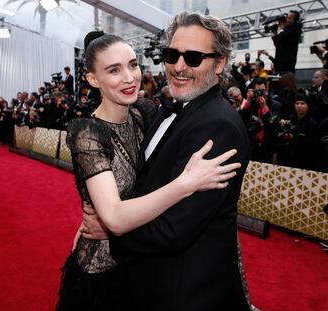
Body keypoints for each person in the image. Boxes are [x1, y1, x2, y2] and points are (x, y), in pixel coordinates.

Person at [55, 31, 242, 311]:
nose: (130, 78)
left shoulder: (145, 112)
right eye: (114, 70)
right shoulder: (87, 133)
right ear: (93, 80)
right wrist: (185, 183)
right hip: (102, 267)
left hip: (143, 267)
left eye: (133, 64)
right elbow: (115, 218)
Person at [105, 12, 251, 310]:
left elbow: (174, 229)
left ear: (220, 63)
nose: (179, 67)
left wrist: (112, 231)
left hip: (184, 290)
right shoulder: (173, 107)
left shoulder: (217, 126)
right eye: (172, 55)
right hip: (152, 279)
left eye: (194, 57)